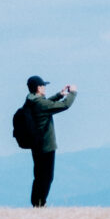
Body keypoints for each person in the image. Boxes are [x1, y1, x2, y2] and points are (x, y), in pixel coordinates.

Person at [22, 76, 77, 208]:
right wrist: (73, 93)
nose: (45, 88)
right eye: (43, 86)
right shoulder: (40, 104)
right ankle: (41, 204)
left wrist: (59, 94)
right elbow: (65, 105)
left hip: (36, 146)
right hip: (46, 146)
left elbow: (46, 104)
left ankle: (36, 203)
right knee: (47, 177)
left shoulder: (31, 100)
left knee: (39, 176)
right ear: (39, 88)